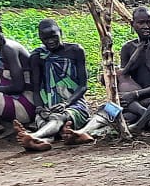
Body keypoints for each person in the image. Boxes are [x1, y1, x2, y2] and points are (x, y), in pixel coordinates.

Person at [15, 19, 94, 152]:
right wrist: (40, 108)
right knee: (45, 118)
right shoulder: (38, 56)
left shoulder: (75, 50)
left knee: (58, 117)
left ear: (61, 33)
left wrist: (65, 104)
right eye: (45, 38)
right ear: (40, 38)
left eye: (53, 36)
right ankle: (44, 141)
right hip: (48, 104)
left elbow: (83, 86)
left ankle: (34, 136)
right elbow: (36, 88)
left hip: (74, 104)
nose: (50, 41)